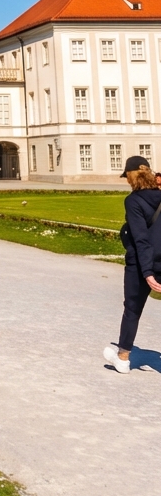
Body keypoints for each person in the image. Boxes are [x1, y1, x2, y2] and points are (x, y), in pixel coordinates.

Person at [104, 156, 161, 373]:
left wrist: (147, 272)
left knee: (132, 310)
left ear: (131, 177)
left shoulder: (133, 201)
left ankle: (124, 357)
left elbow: (141, 239)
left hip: (140, 265)